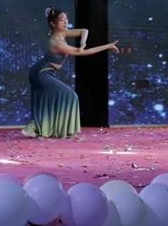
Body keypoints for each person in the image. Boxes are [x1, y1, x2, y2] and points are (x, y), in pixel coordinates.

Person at [22, 7, 120, 139]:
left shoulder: (63, 33)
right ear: (53, 23)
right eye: (61, 20)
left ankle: (35, 128)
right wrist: (107, 46)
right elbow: (83, 52)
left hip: (44, 72)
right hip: (41, 73)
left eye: (66, 19)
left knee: (52, 100)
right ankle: (37, 128)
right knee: (70, 96)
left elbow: (84, 31)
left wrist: (83, 41)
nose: (65, 22)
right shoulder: (57, 42)